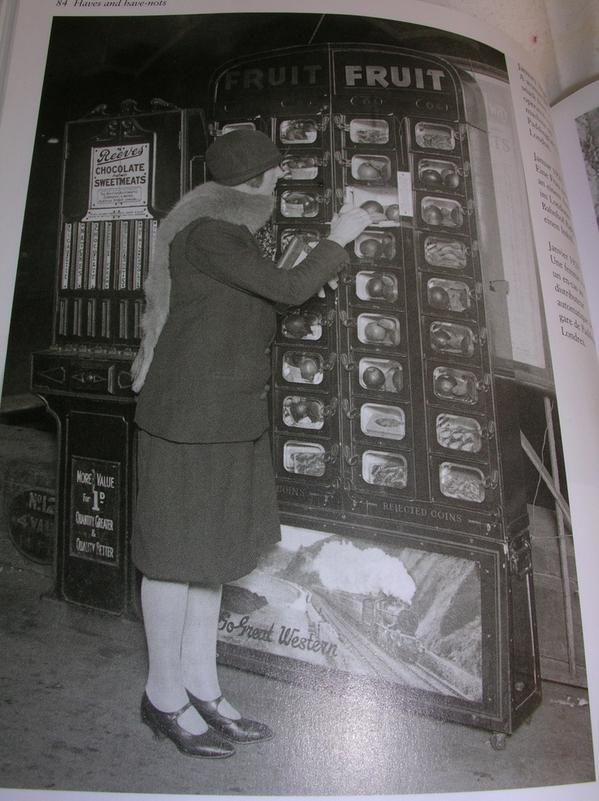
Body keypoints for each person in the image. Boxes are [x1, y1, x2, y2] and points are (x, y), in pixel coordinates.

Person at [130, 128, 370, 758]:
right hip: (188, 420)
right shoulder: (211, 233)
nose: (281, 180)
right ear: (258, 180)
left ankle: (202, 688)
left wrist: (298, 272)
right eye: (276, 172)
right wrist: (338, 238)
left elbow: (256, 303)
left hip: (225, 415)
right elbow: (286, 291)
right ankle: (162, 696)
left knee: (210, 555)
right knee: (172, 558)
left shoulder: (222, 231)